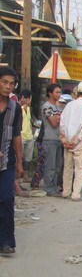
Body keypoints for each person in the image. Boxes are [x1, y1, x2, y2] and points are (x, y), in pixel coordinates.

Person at [0, 66, 23, 254]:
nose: (8, 87)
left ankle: (6, 241)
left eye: (11, 84)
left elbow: (16, 135)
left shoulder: (15, 108)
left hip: (6, 162)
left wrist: (19, 162)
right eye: (4, 82)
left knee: (7, 198)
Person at [59, 81, 82, 201]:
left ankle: (66, 191)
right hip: (81, 142)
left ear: (77, 92)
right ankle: (76, 194)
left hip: (67, 141)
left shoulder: (69, 105)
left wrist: (64, 138)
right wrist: (76, 140)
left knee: (67, 167)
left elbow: (62, 122)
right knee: (80, 169)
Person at [41, 83, 64, 197]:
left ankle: (54, 187)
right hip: (50, 139)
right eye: (57, 92)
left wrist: (58, 116)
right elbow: (54, 123)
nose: (59, 94)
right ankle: (49, 189)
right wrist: (58, 117)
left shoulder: (57, 106)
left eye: (60, 92)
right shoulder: (47, 107)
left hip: (58, 139)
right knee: (50, 166)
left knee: (58, 166)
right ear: (50, 93)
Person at [17, 89, 34, 195]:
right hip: (21, 136)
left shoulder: (29, 109)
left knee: (28, 158)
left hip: (29, 136)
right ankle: (18, 179)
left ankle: (26, 176)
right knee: (20, 158)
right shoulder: (19, 109)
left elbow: (30, 122)